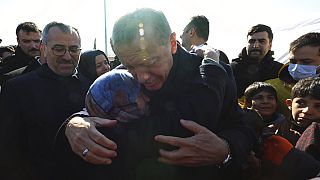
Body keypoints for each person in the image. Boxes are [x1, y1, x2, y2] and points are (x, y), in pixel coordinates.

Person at [62, 8, 256, 180]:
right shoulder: (122, 76)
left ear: (172, 43)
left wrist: (226, 150)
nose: (142, 77)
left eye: (151, 62)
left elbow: (242, 127)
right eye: (131, 67)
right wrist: (75, 122)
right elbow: (99, 105)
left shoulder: (216, 73)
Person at [0, 21, 85, 180]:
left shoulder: (91, 87)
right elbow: (8, 151)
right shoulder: (16, 89)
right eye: (58, 49)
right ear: (43, 49)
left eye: (74, 49)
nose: (67, 56)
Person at [267, 32, 320, 119]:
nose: (296, 67)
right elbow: (243, 104)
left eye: (306, 62)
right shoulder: (273, 88)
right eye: (293, 62)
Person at [231, 24, 283, 98]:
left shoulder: (280, 71)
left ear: (270, 45)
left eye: (262, 41)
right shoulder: (232, 70)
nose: (256, 45)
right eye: (252, 41)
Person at [285, 77, 320, 147]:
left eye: (318, 106)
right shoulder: (275, 132)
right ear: (290, 104)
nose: (307, 111)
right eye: (301, 103)